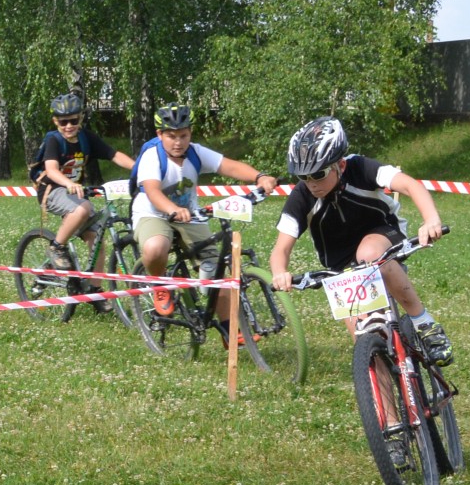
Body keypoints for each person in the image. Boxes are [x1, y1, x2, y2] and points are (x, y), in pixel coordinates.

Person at [266, 115, 452, 363]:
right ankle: (381, 388)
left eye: (319, 174)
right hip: (342, 267)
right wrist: (280, 272)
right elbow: (281, 249)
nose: (311, 183)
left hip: (382, 235)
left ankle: (424, 323)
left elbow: (410, 185)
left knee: (369, 254)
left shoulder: (360, 168)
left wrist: (431, 219)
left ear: (340, 165)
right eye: (303, 177)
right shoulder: (301, 197)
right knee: (366, 347)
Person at [129, 103, 280, 315]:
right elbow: (153, 191)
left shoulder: (195, 153)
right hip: (152, 213)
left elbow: (229, 166)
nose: (178, 142)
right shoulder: (152, 156)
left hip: (190, 215)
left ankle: (229, 328)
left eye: (183, 135)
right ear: (160, 134)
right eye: (171, 136)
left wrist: (260, 177)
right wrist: (173, 209)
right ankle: (159, 285)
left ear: (190, 132)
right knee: (155, 247)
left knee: (216, 271)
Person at [31, 93, 135, 267]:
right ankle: (56, 247)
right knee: (83, 208)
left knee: (96, 241)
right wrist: (69, 183)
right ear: (55, 121)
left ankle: (93, 284)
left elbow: (114, 155)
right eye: (63, 122)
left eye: (73, 121)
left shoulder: (86, 138)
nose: (69, 126)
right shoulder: (54, 140)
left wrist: (138, 168)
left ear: (80, 118)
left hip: (75, 193)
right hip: (51, 190)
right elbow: (52, 170)